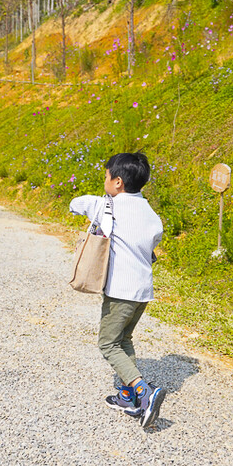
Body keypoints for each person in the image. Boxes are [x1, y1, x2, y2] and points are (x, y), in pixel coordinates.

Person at [69, 152, 165, 428]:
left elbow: (77, 204)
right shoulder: (151, 213)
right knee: (124, 339)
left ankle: (144, 393)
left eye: (106, 177)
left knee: (107, 343)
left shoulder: (107, 206)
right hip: (143, 291)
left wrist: (95, 207)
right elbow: (154, 239)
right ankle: (128, 397)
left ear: (118, 182)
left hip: (121, 290)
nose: (105, 181)